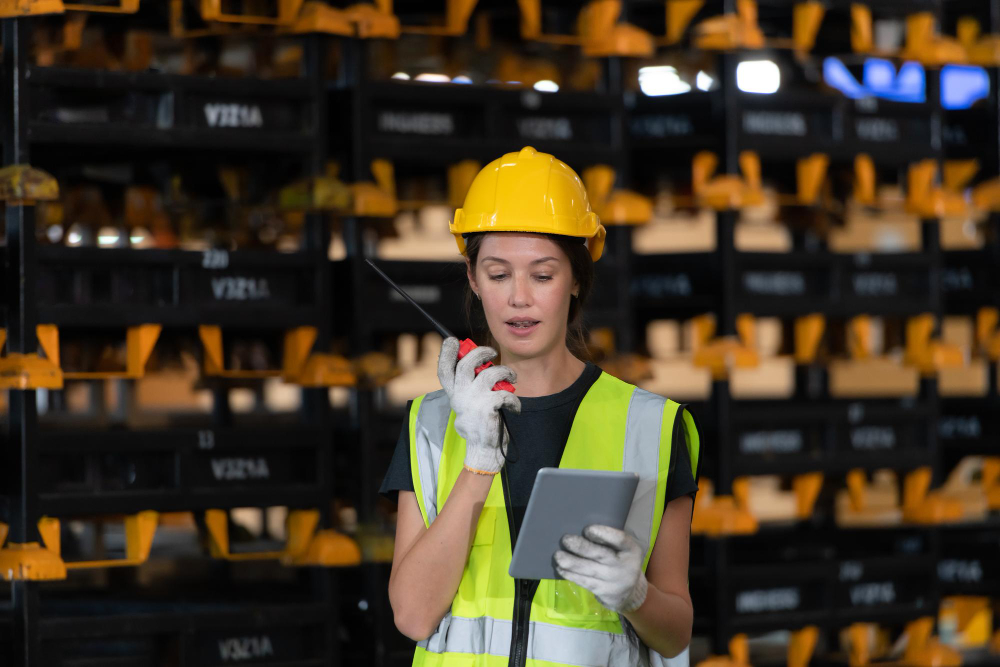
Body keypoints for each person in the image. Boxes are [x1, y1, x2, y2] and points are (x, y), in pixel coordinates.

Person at [378, 146, 701, 667]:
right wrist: (478, 462)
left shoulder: (654, 426)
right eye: (499, 273)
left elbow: (675, 635)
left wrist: (635, 596)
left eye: (543, 275)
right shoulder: (432, 422)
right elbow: (413, 616)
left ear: (575, 280)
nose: (518, 298)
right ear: (473, 278)